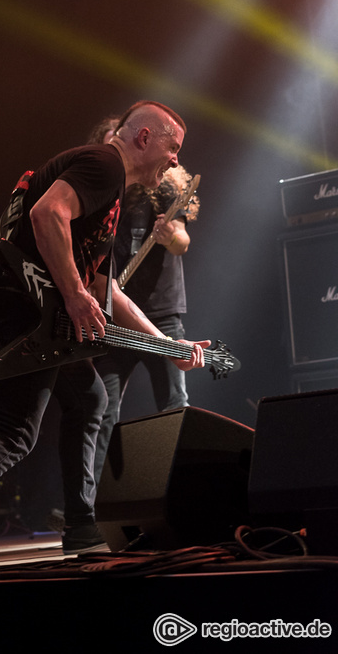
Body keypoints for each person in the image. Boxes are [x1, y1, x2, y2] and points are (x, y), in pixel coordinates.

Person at [0, 100, 210, 571]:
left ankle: (81, 528)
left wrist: (168, 347)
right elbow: (47, 215)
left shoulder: (110, 189)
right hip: (22, 306)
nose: (176, 160)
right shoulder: (103, 163)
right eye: (173, 147)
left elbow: (106, 286)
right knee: (17, 431)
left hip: (31, 306)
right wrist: (76, 294)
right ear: (143, 138)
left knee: (90, 399)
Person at [86, 116, 200, 487]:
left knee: (174, 406)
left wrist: (169, 236)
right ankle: (92, 503)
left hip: (161, 315)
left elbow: (182, 240)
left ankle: (182, 490)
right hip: (115, 320)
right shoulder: (102, 195)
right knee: (100, 409)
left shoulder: (162, 189)